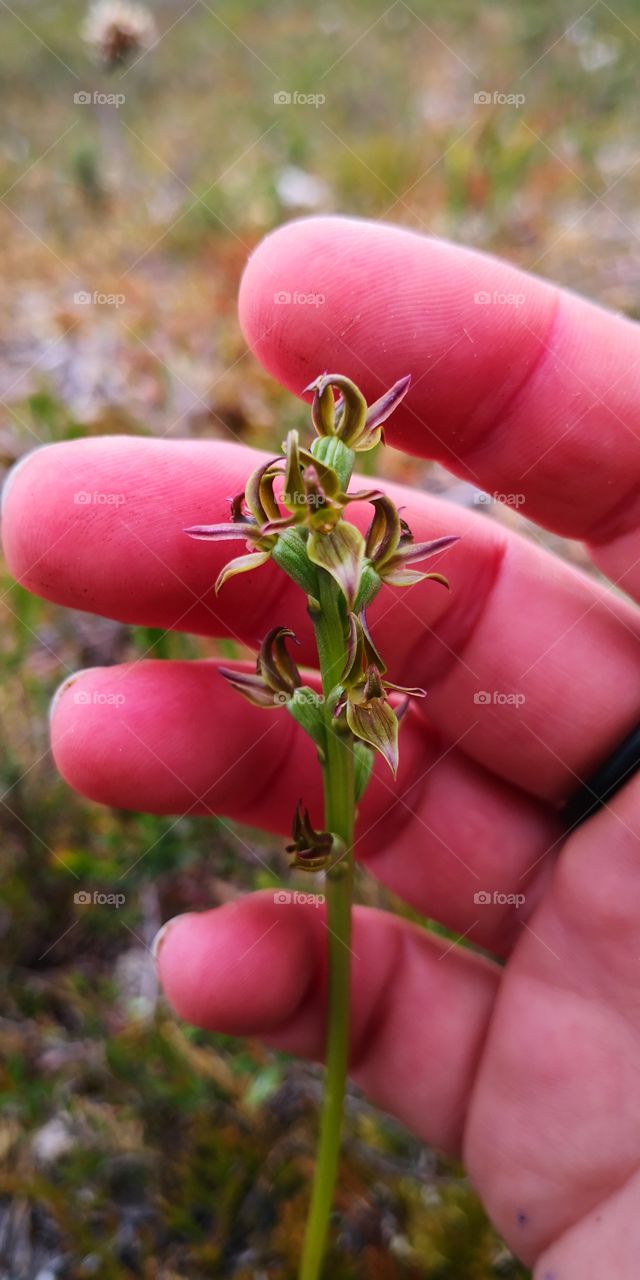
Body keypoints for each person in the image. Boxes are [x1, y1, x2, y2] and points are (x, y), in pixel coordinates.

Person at [4, 216, 640, 1278]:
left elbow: (363, 571)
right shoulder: (301, 552)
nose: (326, 452)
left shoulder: (354, 559)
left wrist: (344, 593)